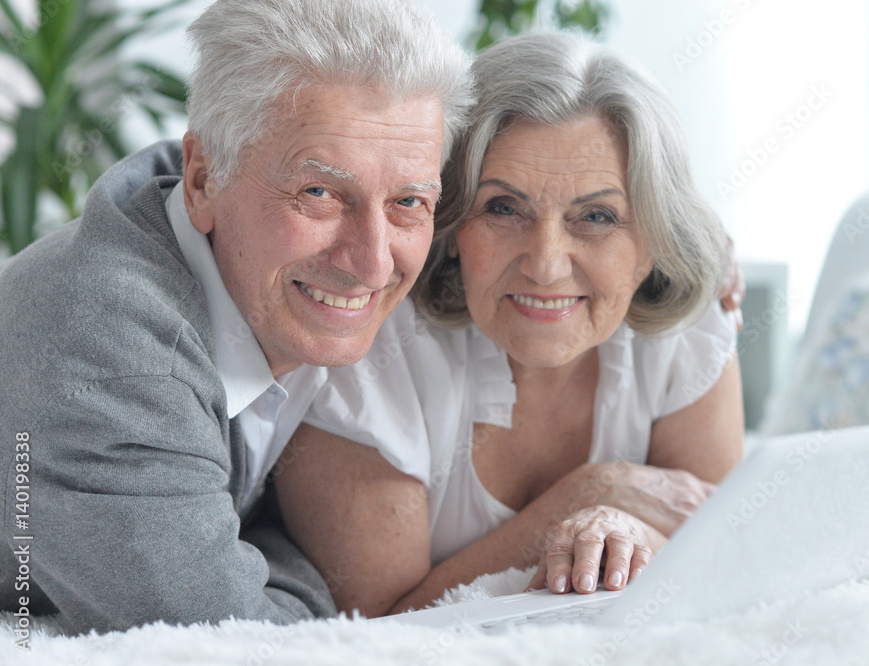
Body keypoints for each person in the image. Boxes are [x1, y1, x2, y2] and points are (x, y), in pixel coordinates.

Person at [0, 0, 473, 634]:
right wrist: (311, 568)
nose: (371, 262)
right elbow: (237, 638)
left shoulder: (247, 243)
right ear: (201, 180)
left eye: (408, 201)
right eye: (320, 192)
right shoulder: (113, 364)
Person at [274, 30, 745, 619]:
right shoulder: (370, 351)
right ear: (450, 223)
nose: (545, 263)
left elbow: (728, 555)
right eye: (503, 207)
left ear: (651, 241)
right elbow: (380, 630)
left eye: (597, 216)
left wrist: (628, 530)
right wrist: (590, 494)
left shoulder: (688, 333)